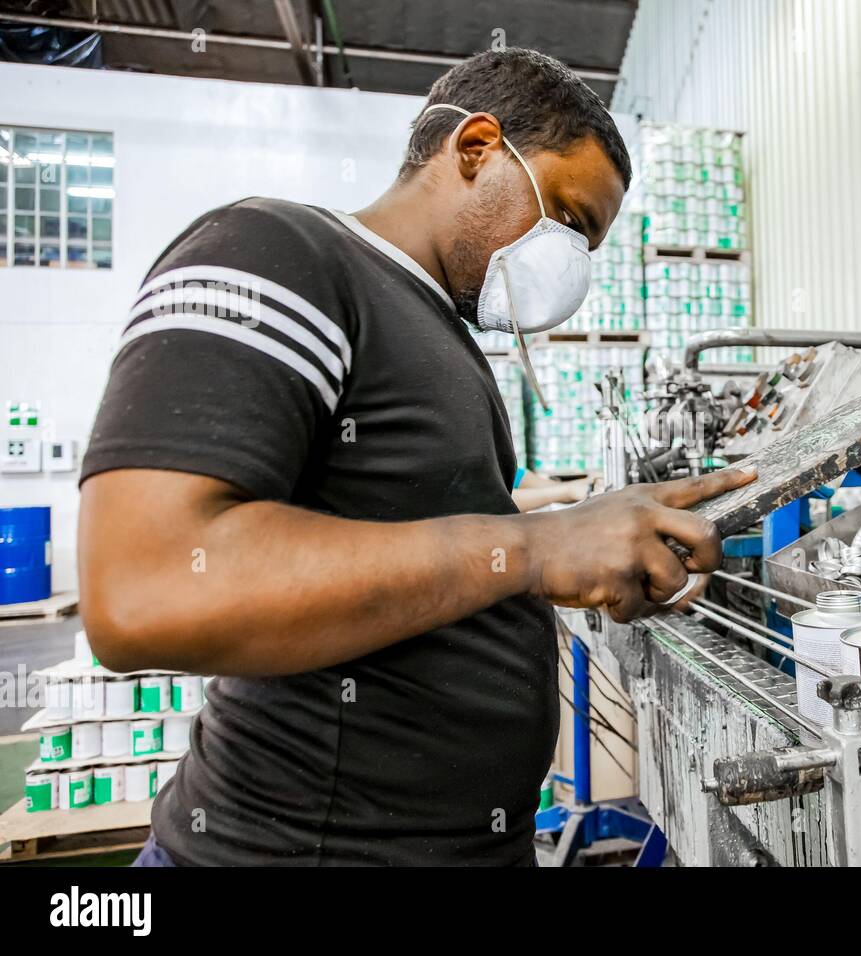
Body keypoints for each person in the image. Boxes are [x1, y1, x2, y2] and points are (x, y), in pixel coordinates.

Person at [77, 48, 753, 866]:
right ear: (474, 149)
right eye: (570, 221)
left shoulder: (442, 337)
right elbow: (143, 588)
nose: (571, 262)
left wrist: (581, 528)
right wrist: (537, 550)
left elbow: (419, 528)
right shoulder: (278, 252)